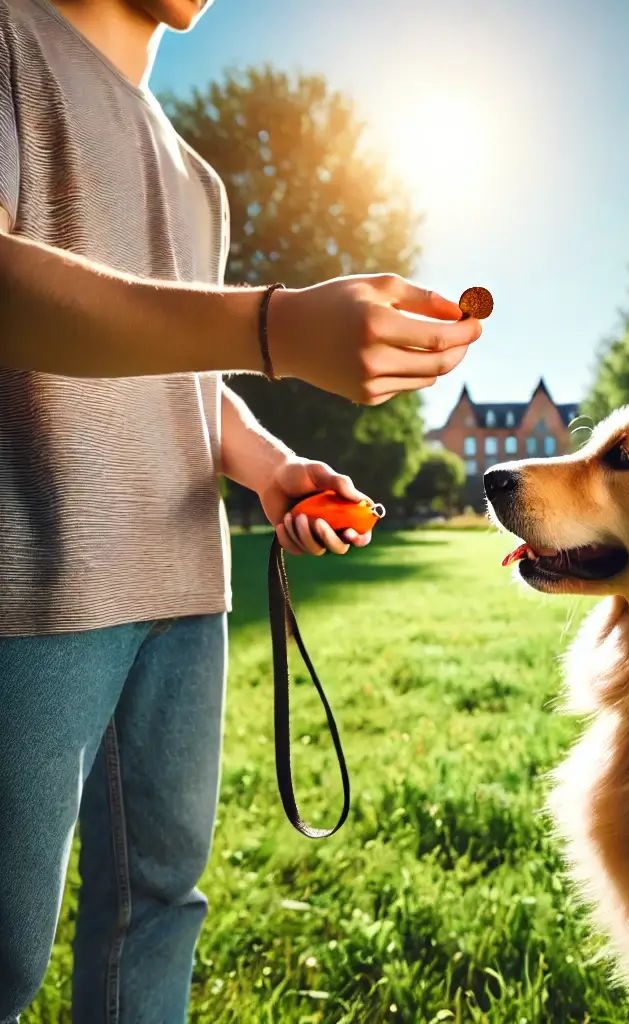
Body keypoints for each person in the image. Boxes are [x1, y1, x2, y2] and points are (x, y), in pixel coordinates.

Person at [0, 0, 485, 1019]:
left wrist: (270, 467)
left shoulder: (197, 176)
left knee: (162, 904)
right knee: (4, 949)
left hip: (186, 585)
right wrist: (273, 324)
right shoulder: (8, 40)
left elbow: (183, 373)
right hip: (34, 585)